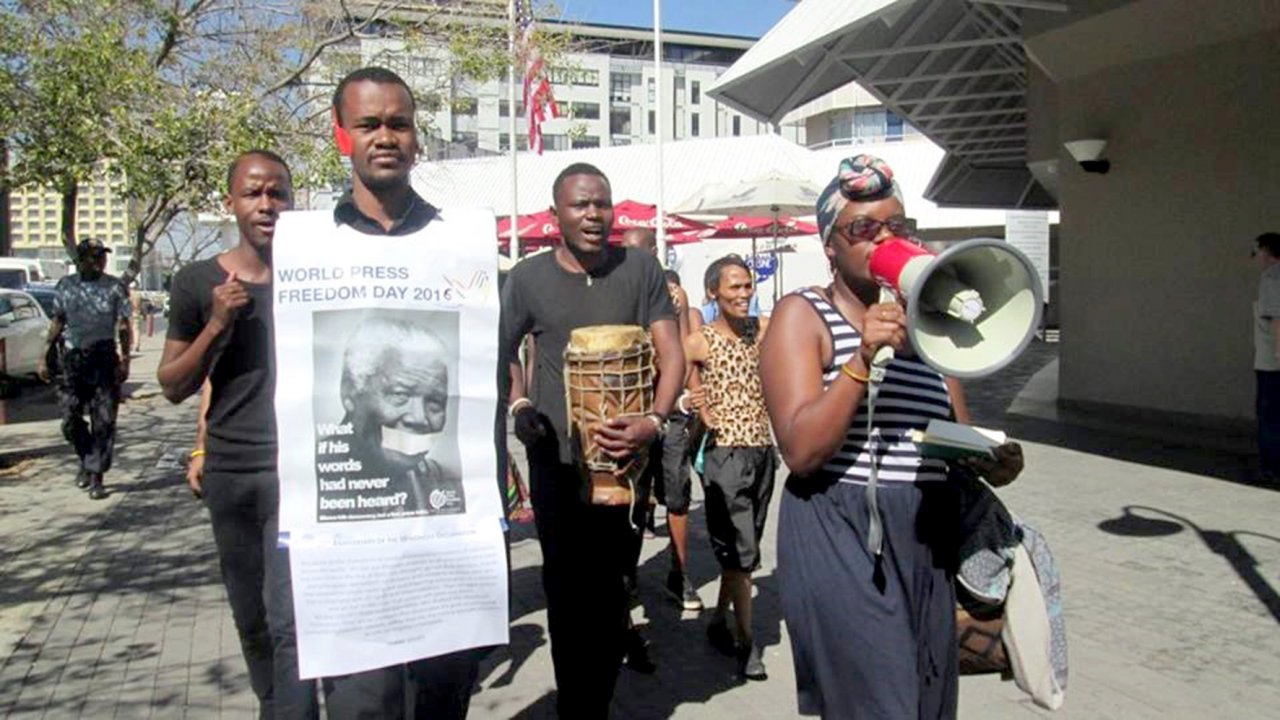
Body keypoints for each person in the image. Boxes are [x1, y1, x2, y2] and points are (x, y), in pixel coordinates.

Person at [760, 154, 1024, 718]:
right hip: (840, 526)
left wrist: (989, 458)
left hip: (924, 532)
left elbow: (950, 437)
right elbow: (802, 451)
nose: (884, 238)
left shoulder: (930, 330)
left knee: (927, 701)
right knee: (880, 704)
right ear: (829, 243)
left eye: (897, 227)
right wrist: (862, 356)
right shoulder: (801, 315)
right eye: (863, 229)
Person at [306, 65, 485, 719]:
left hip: (446, 549)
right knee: (365, 704)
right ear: (340, 136)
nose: (386, 136)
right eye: (369, 124)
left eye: (399, 123)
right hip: (344, 555)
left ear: (416, 139)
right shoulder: (308, 248)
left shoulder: (462, 245)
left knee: (443, 699)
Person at [501, 162, 684, 718]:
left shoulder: (642, 267)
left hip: (627, 458)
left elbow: (671, 352)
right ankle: (578, 704)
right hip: (556, 459)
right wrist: (521, 404)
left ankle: (596, 696)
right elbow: (504, 348)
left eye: (601, 203)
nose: (593, 215)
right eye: (580, 205)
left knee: (611, 588)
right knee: (566, 588)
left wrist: (653, 421)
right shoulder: (528, 278)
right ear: (557, 213)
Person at [158, 150, 318, 719]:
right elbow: (174, 385)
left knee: (288, 620)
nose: (267, 204)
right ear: (231, 202)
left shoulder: (315, 279)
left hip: (298, 472)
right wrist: (218, 325)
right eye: (254, 193)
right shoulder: (199, 282)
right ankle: (273, 706)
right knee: (250, 618)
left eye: (278, 192)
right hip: (230, 475)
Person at [684, 255, 774, 680]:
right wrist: (693, 400)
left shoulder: (764, 330)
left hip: (762, 451)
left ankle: (721, 621)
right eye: (733, 287)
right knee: (743, 553)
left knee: (746, 545)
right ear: (713, 293)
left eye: (747, 285)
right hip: (724, 454)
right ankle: (746, 642)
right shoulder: (700, 340)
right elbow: (675, 375)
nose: (743, 294)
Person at [619, 227, 702, 611]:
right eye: (627, 251)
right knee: (634, 497)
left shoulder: (672, 295)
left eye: (641, 252)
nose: (634, 258)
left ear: (655, 252)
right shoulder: (619, 290)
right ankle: (627, 576)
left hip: (670, 409)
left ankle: (679, 572)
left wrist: (690, 395)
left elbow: (684, 347)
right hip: (633, 408)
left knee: (678, 494)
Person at [317, 317, 464, 518]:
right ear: (350, 392)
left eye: (435, 402)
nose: (419, 418)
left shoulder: (444, 484)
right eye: (399, 394)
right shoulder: (305, 479)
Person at [38, 238, 132, 501]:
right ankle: (88, 459)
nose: (99, 261)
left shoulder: (114, 287)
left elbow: (124, 325)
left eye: (102, 256)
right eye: (94, 256)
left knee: (103, 420)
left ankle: (96, 477)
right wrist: (44, 356)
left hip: (103, 358)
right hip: (74, 359)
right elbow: (58, 321)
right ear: (81, 261)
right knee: (69, 420)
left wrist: (126, 359)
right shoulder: (66, 286)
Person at [1253, 231, 1280, 484]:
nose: (1255, 257)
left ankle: (1271, 469)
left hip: (1272, 365)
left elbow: (1276, 320)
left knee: (1270, 416)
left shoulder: (1271, 279)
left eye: (1257, 251)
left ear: (1268, 252)